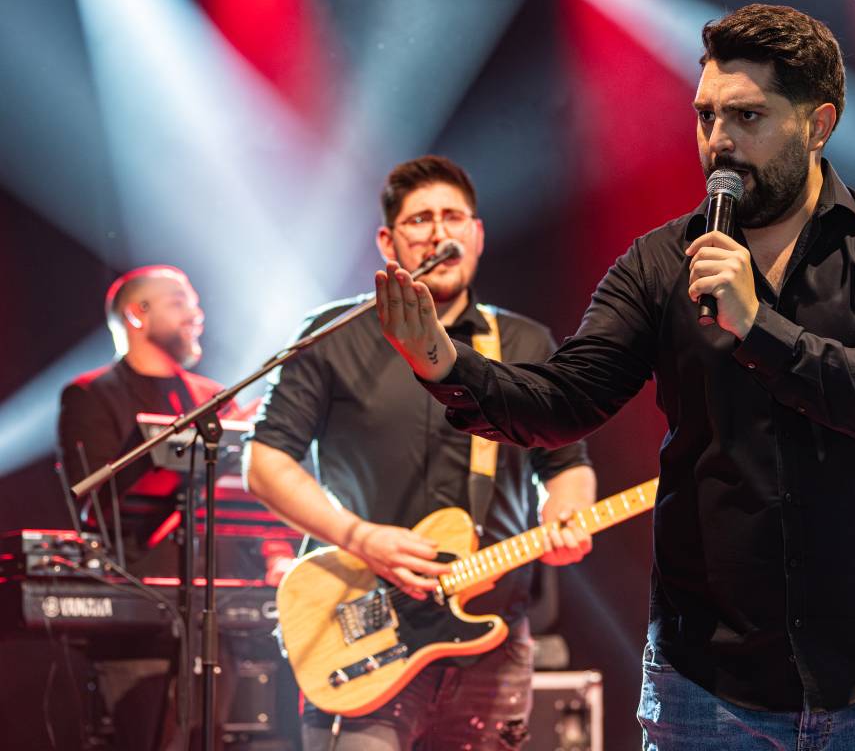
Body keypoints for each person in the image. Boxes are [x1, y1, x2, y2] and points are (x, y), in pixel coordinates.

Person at [376, 5, 855, 750]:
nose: (719, 142)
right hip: (708, 683)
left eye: (747, 116)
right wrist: (443, 362)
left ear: (818, 125)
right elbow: (565, 400)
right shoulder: (658, 264)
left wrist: (758, 325)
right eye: (706, 116)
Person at [244, 154, 597, 751]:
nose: (439, 233)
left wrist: (568, 512)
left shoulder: (524, 341)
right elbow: (264, 462)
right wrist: (359, 537)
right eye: (420, 220)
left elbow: (565, 465)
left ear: (477, 235)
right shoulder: (332, 335)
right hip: (364, 630)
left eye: (454, 217)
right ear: (388, 242)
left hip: (491, 641)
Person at [56, 264, 274, 750]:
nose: (197, 313)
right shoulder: (91, 395)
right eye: (179, 302)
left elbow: (245, 496)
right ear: (137, 314)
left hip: (215, 610)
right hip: (138, 616)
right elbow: (96, 503)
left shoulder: (212, 398)